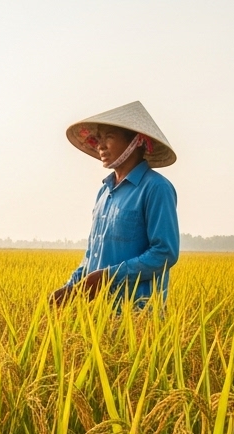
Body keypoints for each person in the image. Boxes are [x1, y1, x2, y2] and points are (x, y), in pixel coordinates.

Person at [51, 101, 179, 308]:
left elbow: (164, 252)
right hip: (97, 312)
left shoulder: (156, 188)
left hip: (138, 314)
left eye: (109, 137)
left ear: (137, 140)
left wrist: (109, 276)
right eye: (98, 139)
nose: (100, 145)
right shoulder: (104, 192)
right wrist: (70, 287)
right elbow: (92, 254)